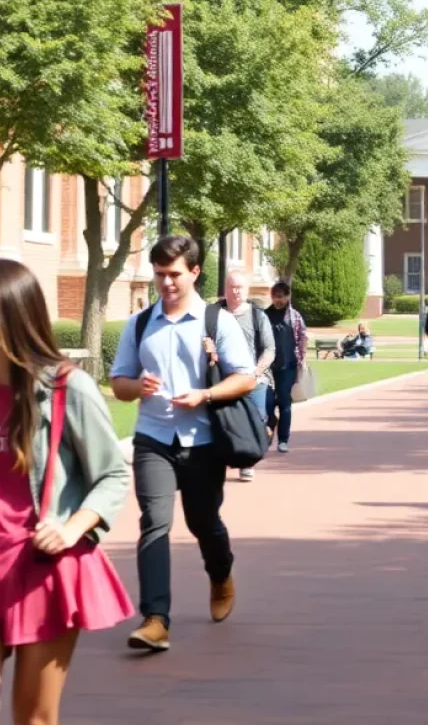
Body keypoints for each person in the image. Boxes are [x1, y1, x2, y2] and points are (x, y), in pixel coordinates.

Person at [0, 259, 132, 722]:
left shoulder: (68, 389)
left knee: (34, 717)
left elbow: (112, 475)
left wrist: (72, 527)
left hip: (44, 571)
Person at [110, 235, 256, 653]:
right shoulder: (141, 323)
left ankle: (221, 572)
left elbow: (244, 376)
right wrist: (137, 386)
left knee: (203, 522)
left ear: (194, 272)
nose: (166, 283)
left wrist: (205, 395)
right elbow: (119, 382)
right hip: (153, 439)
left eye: (174, 274)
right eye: (159, 275)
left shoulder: (217, 321)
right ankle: (155, 619)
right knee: (155, 523)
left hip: (203, 441)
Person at [218, 271, 275, 482]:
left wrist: (256, 371)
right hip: (224, 379)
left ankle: (248, 463)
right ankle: (221, 460)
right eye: (232, 287)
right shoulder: (215, 314)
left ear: (247, 289)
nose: (236, 291)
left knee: (255, 420)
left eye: (240, 287)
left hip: (253, 379)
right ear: (225, 288)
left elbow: (269, 349)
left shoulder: (257, 316)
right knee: (222, 421)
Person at [266, 281, 308, 454]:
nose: (279, 300)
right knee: (267, 404)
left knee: (284, 402)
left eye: (282, 296)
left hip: (287, 366)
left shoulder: (294, 316)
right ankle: (270, 425)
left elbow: (303, 337)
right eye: (276, 296)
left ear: (288, 296)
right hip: (267, 368)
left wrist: (301, 359)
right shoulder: (265, 315)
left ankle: (283, 440)